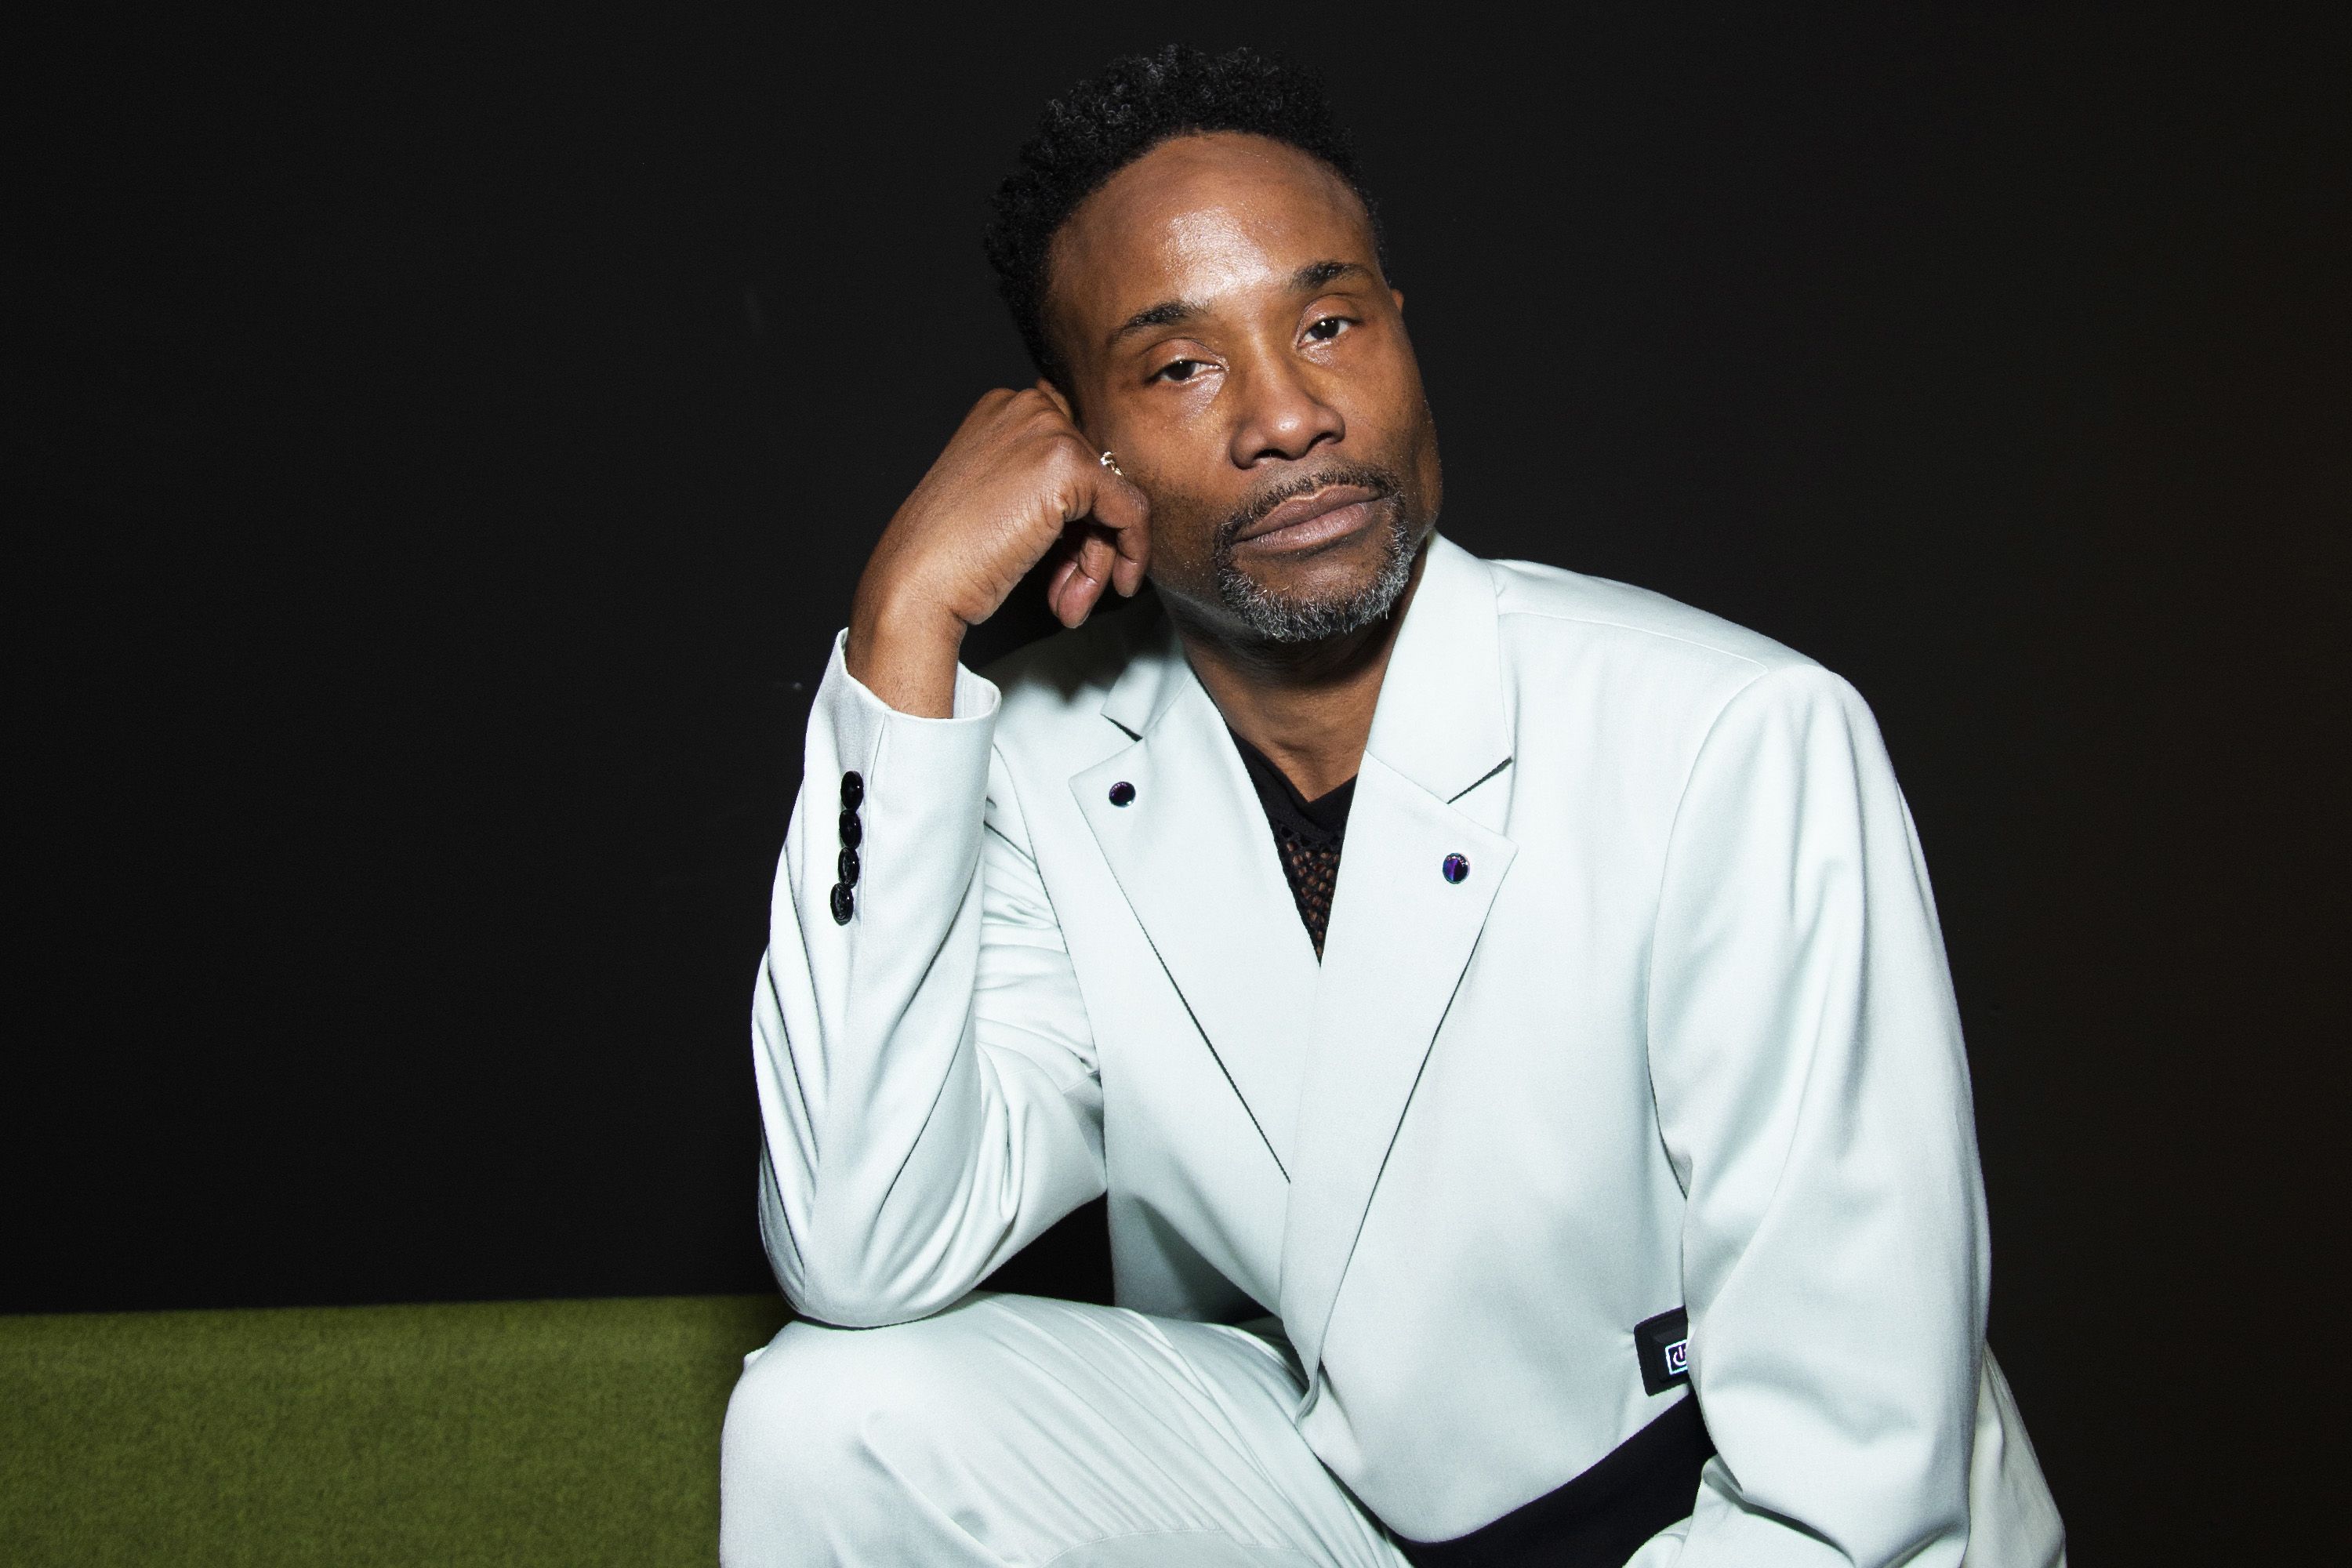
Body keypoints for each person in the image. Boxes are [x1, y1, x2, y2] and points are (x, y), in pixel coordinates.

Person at [720, 44, 2065, 1568]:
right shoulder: (1041, 764)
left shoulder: (1731, 737)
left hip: (1731, 1508)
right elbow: (859, 1239)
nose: (1291, 415)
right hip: (1350, 1498)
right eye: (1182, 365)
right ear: (1068, 444)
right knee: (827, 1409)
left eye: (1329, 322)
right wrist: (903, 633)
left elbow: (1852, 1489)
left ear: (1401, 336)